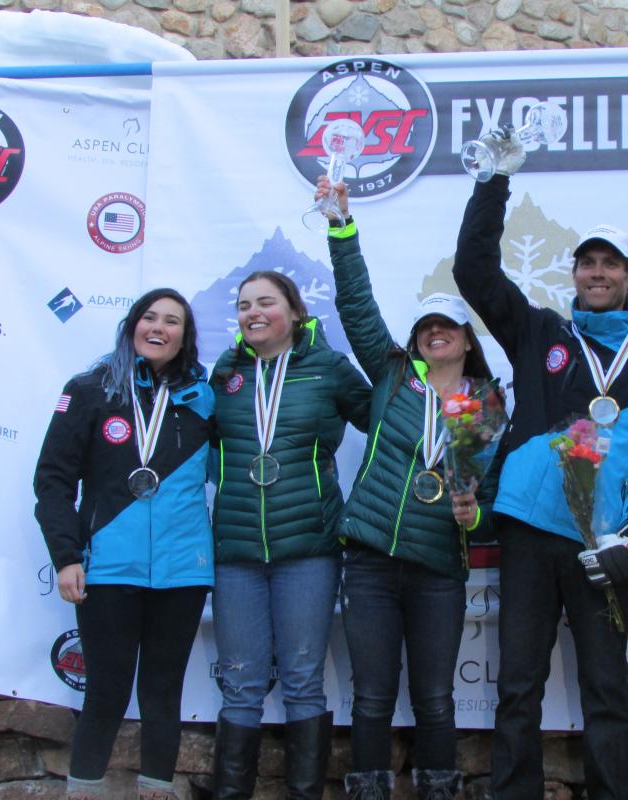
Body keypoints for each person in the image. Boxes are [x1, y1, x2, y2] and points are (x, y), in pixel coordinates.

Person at [452, 166, 628, 799]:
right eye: (588, 263)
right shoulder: (541, 332)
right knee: (518, 688)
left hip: (602, 545)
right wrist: (493, 181)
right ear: (575, 274)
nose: (598, 273)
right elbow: (473, 271)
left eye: (612, 264)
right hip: (529, 533)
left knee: (608, 693)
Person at [316, 177, 500, 800]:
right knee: (369, 697)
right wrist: (342, 227)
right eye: (426, 325)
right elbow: (356, 305)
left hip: (437, 569)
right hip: (368, 561)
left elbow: (488, 496)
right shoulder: (393, 375)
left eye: (447, 325)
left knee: (436, 699)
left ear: (467, 339)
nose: (435, 332)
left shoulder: (484, 405)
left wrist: (472, 515)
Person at [34, 289, 215, 800]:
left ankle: (155, 791)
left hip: (183, 571)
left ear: (185, 336)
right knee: (107, 692)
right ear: (132, 325)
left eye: (172, 321)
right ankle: (83, 792)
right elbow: (52, 480)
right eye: (149, 317)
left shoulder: (204, 397)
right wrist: (67, 556)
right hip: (109, 568)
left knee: (162, 694)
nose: (159, 327)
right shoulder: (91, 389)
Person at [209, 270, 370, 800]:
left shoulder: (327, 368)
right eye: (244, 304)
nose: (253, 312)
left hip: (309, 549)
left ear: (295, 312)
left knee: (302, 682)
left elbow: (386, 421)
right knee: (240, 685)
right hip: (236, 551)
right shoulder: (226, 372)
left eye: (266, 303)